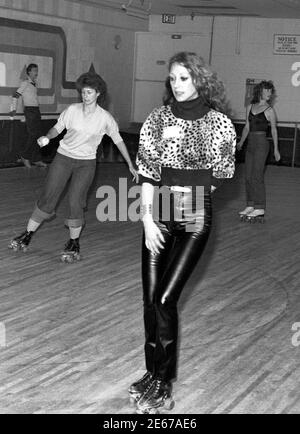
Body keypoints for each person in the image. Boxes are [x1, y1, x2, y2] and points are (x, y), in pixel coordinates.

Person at [128, 52, 236, 414]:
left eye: (184, 78)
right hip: (156, 210)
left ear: (199, 81)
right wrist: (147, 220)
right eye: (172, 78)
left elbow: (220, 175)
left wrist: (190, 201)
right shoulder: (157, 119)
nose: (176, 84)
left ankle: (163, 381)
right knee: (149, 301)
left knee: (164, 300)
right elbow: (146, 172)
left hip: (194, 215)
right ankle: (150, 371)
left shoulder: (219, 124)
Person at [8, 71, 138, 261]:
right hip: (63, 158)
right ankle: (27, 235)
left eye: (89, 92)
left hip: (86, 164)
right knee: (48, 197)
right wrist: (47, 137)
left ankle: (73, 242)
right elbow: (57, 128)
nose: (85, 96)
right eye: (83, 92)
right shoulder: (72, 110)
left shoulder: (105, 118)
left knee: (76, 201)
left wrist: (130, 164)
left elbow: (118, 141)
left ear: (98, 93)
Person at [237, 80, 281, 222]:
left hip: (262, 144)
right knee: (248, 176)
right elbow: (247, 127)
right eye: (267, 90)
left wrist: (276, 149)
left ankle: (260, 207)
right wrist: (241, 142)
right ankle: (250, 205)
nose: (269, 93)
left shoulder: (269, 110)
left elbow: (274, 130)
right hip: (250, 144)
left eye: (270, 91)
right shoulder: (250, 107)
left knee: (257, 176)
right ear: (260, 91)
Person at [10, 63, 47, 168]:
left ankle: (36, 159)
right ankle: (24, 156)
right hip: (30, 111)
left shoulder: (34, 84)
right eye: (34, 70)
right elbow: (15, 95)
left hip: (36, 110)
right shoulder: (25, 83)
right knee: (32, 134)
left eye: (37, 70)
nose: (36, 73)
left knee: (39, 135)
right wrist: (13, 109)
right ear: (29, 72)